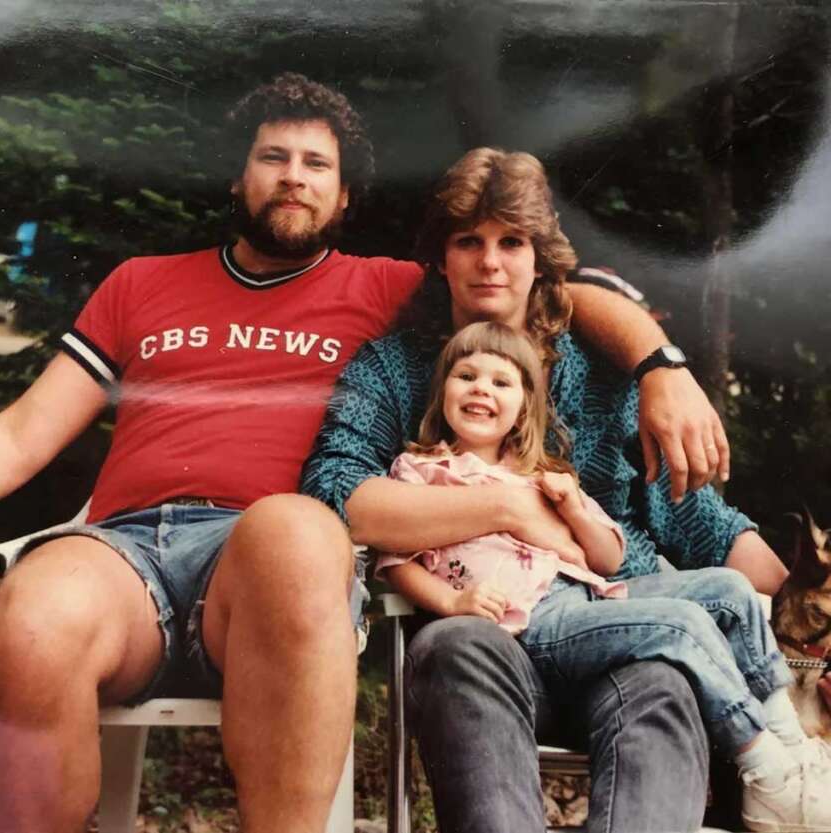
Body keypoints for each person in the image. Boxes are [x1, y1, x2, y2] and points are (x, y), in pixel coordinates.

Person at [0, 77, 730, 833]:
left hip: (267, 555)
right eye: (275, 157)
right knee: (31, 608)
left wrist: (662, 366)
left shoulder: (383, 288)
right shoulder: (141, 283)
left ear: (343, 199)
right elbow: (22, 432)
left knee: (299, 530)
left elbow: (560, 284)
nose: (293, 177)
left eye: (316, 164)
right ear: (241, 178)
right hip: (125, 548)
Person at [300, 146, 791, 833]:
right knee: (454, 646)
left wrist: (803, 605)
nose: (491, 262)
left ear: (540, 258)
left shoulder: (596, 372)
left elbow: (691, 513)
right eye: (468, 241)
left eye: (512, 242)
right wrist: (510, 504)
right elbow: (333, 492)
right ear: (442, 257)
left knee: (665, 677)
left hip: (614, 631)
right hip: (488, 635)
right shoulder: (391, 369)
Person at [378, 320, 830, 832]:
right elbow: (396, 563)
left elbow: (607, 555)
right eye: (467, 376)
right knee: (680, 626)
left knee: (729, 592)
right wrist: (452, 602)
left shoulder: (544, 472)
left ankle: (793, 750)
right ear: (443, 393)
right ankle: (766, 769)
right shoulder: (421, 472)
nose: (481, 389)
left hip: (590, 600)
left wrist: (573, 508)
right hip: (528, 624)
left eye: (501, 382)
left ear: (525, 406)